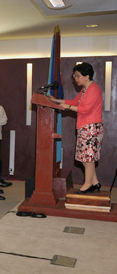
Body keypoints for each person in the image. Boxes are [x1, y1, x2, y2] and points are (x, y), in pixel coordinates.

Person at [48, 62, 104, 193]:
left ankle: (88, 184)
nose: (75, 78)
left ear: (87, 76)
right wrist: (55, 100)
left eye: (78, 76)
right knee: (85, 158)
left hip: (91, 128)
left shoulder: (93, 89)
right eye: (75, 76)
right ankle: (95, 183)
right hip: (85, 127)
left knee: (88, 158)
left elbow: (84, 109)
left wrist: (65, 107)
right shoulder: (86, 89)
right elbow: (73, 102)